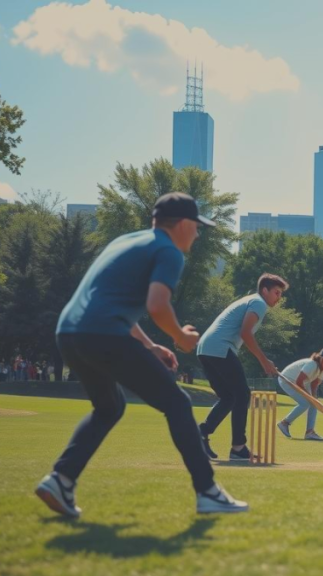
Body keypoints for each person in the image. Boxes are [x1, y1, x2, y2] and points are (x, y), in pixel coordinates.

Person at [35, 192, 247, 518]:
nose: (198, 233)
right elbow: (157, 305)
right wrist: (181, 337)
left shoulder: (126, 242)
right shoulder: (169, 251)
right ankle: (208, 493)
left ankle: (60, 480)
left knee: (109, 408)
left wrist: (151, 346)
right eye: (197, 226)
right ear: (183, 224)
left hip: (69, 333)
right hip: (105, 334)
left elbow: (111, 302)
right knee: (177, 403)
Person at [196, 273, 289, 460]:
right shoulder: (259, 303)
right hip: (220, 348)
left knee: (229, 397)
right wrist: (264, 361)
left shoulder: (252, 301)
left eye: (281, 294)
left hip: (206, 348)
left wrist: (263, 360)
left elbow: (244, 334)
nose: (279, 298)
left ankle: (200, 433)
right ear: (265, 290)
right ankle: (238, 447)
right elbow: (246, 333)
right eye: (276, 292)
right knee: (242, 394)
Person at [276, 348, 323, 441]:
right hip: (287, 379)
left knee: (313, 404)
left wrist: (314, 399)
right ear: (322, 359)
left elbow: (314, 384)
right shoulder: (312, 364)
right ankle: (284, 423)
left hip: (302, 382)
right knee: (305, 403)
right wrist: (309, 397)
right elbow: (299, 381)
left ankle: (309, 432)